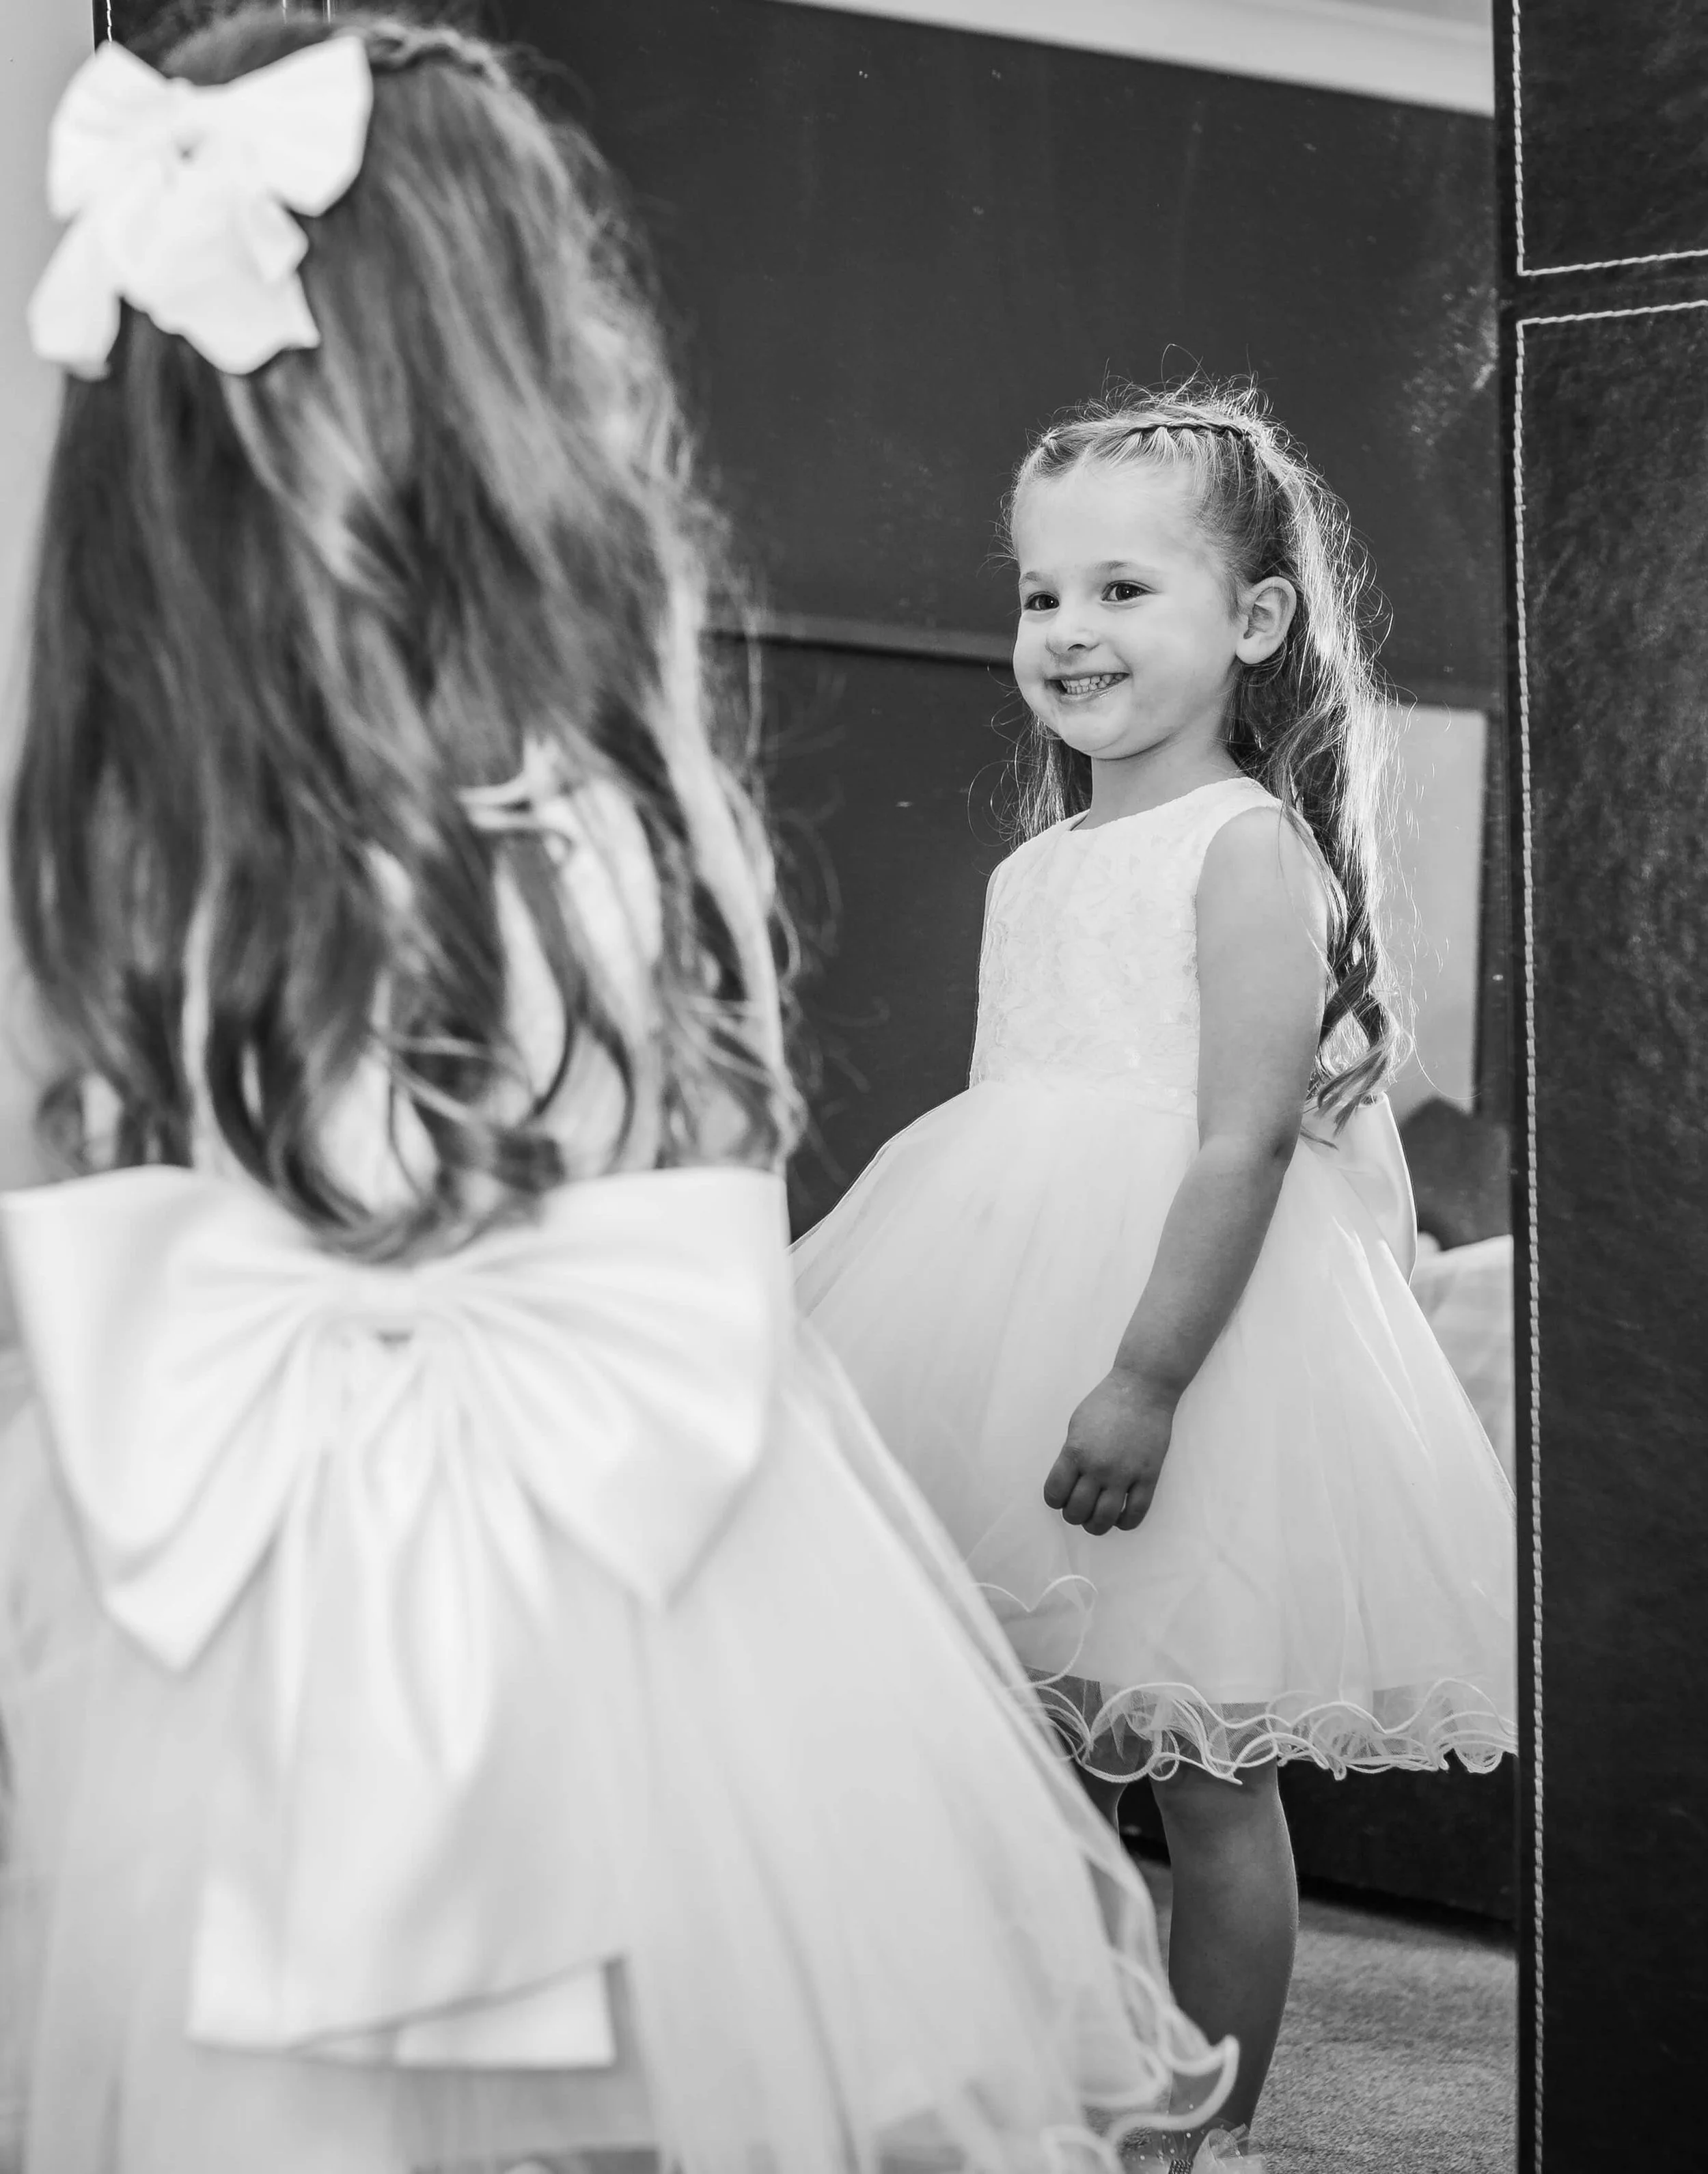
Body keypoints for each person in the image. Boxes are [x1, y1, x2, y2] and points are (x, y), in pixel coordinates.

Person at [0, 18, 1242, 2173]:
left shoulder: (115, 831)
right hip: (588, 1574)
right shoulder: (600, 806)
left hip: (247, 1591)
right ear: (521, 399)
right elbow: (692, 1157)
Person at [794, 386, 1517, 2141]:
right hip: (986, 1315)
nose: (1067, 630)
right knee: (992, 1747)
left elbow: (1241, 1140)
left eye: (1123, 590)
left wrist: (1142, 1378)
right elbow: (1005, 1115)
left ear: (1253, 622)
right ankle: (1029, 2082)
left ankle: (1200, 2130)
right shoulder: (1035, 866)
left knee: (1206, 1779)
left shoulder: (1246, 852)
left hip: (1181, 1339)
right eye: (1041, 593)